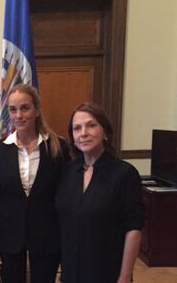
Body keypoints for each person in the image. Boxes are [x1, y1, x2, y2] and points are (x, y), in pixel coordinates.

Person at [0, 84, 69, 283]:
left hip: (47, 235)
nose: (19, 115)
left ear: (37, 110)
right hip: (9, 235)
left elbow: (64, 198)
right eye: (13, 109)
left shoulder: (57, 147)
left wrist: (66, 241)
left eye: (25, 108)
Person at [56, 102, 145, 283]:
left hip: (107, 272)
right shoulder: (67, 172)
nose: (84, 133)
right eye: (77, 128)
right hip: (71, 271)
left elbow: (134, 229)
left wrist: (125, 276)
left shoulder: (124, 174)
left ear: (105, 130)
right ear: (72, 136)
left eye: (91, 125)